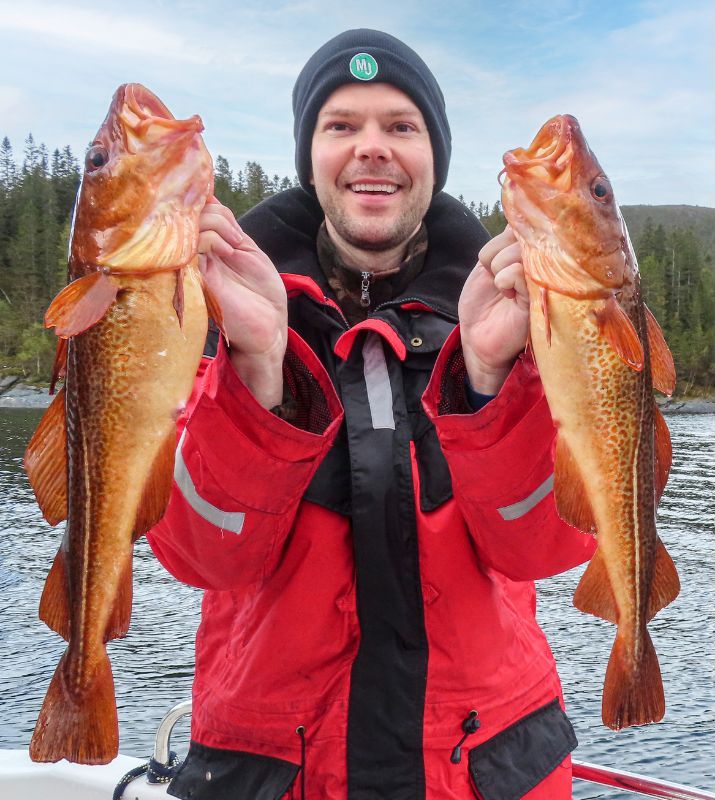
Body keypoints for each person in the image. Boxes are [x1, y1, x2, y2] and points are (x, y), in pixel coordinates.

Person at [147, 29, 596, 800]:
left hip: (484, 771)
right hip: (274, 774)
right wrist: (258, 369)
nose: (371, 148)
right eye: (341, 126)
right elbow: (201, 558)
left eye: (400, 125)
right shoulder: (206, 308)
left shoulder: (524, 315)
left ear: (433, 154)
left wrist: (486, 382)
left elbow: (543, 549)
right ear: (310, 153)